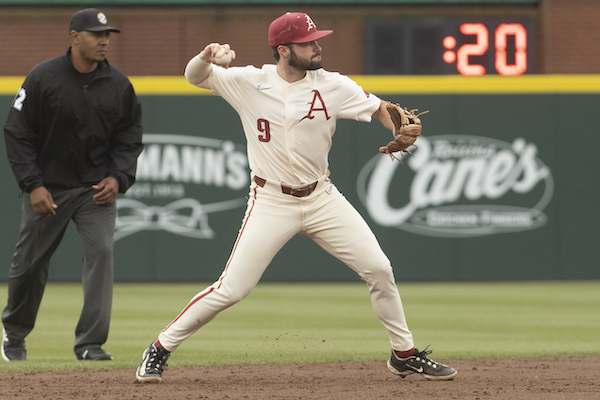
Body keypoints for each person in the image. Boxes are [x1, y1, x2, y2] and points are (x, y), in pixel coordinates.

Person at [135, 12, 456, 382]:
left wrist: (397, 125)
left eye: (317, 39)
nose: (318, 46)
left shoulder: (334, 85)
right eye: (308, 42)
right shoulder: (248, 81)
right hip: (271, 201)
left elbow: (380, 108)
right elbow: (194, 77)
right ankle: (159, 348)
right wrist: (206, 58)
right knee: (232, 289)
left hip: (322, 198)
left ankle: (404, 354)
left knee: (380, 269)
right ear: (284, 50)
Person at [2, 8, 143, 361]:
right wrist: (33, 185)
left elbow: (129, 138)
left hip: (95, 190)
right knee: (30, 265)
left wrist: (118, 176)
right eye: (96, 34)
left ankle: (90, 344)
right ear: (75, 37)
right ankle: (14, 334)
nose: (104, 40)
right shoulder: (42, 77)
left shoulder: (119, 85)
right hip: (48, 188)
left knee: (102, 254)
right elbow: (17, 133)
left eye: (107, 34)